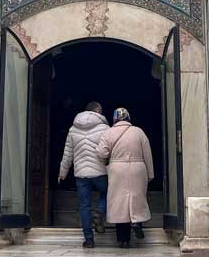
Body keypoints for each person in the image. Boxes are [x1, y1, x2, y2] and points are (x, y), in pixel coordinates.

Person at [96, 107, 154, 248]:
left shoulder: (108, 133)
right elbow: (147, 154)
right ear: (128, 118)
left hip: (118, 169)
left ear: (114, 119)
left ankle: (123, 240)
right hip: (138, 168)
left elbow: (102, 153)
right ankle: (136, 222)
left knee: (119, 203)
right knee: (137, 199)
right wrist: (150, 174)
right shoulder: (139, 132)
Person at [58, 100, 109, 248]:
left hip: (81, 174)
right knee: (108, 194)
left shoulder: (73, 129)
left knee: (84, 206)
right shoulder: (105, 128)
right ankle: (99, 214)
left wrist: (63, 172)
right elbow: (109, 151)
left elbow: (68, 154)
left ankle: (89, 240)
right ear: (97, 111)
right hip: (100, 172)